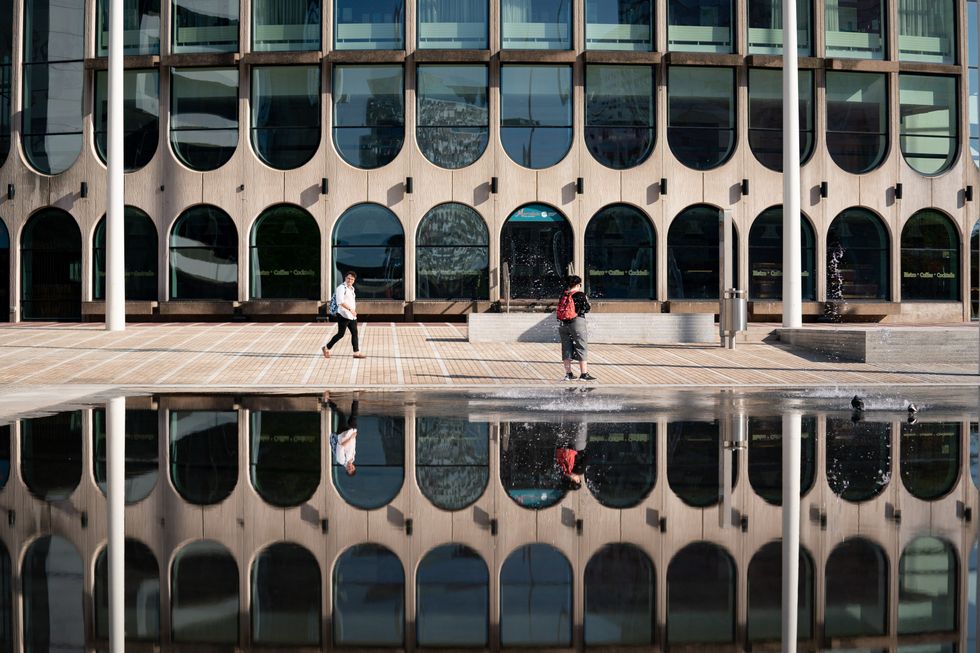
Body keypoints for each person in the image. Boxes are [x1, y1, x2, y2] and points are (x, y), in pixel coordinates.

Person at [556, 275, 596, 381]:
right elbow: (586, 308)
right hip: (577, 322)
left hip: (563, 323)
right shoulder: (579, 295)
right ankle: (584, 374)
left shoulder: (564, 295)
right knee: (581, 346)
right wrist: (588, 304)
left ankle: (568, 374)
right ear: (578, 285)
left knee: (566, 347)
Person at [322, 271, 366, 359]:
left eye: (352, 279)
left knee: (354, 333)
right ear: (345, 278)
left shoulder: (351, 289)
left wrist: (353, 312)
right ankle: (326, 348)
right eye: (348, 278)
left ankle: (356, 353)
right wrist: (350, 310)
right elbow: (340, 302)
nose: (350, 280)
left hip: (352, 315)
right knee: (340, 334)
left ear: (354, 280)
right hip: (343, 315)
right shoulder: (341, 288)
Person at [328, 395, 359, 476]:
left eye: (349, 469)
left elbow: (341, 446)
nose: (350, 467)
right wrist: (354, 435)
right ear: (354, 467)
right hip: (351, 432)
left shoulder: (341, 460)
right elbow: (353, 445)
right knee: (354, 415)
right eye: (352, 468)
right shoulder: (352, 458)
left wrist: (351, 437)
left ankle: (328, 401)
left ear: (346, 469)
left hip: (342, 433)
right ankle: (356, 397)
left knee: (341, 414)